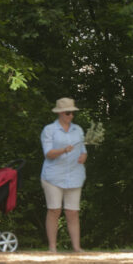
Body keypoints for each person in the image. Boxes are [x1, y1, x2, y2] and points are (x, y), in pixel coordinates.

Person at [40, 97, 86, 253]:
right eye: (68, 113)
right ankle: (52, 247)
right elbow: (48, 154)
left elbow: (83, 150)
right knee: (54, 210)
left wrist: (83, 156)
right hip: (53, 177)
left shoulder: (78, 130)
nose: (71, 116)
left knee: (73, 212)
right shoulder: (49, 130)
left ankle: (77, 247)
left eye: (72, 113)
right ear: (60, 113)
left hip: (75, 175)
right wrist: (63, 150)